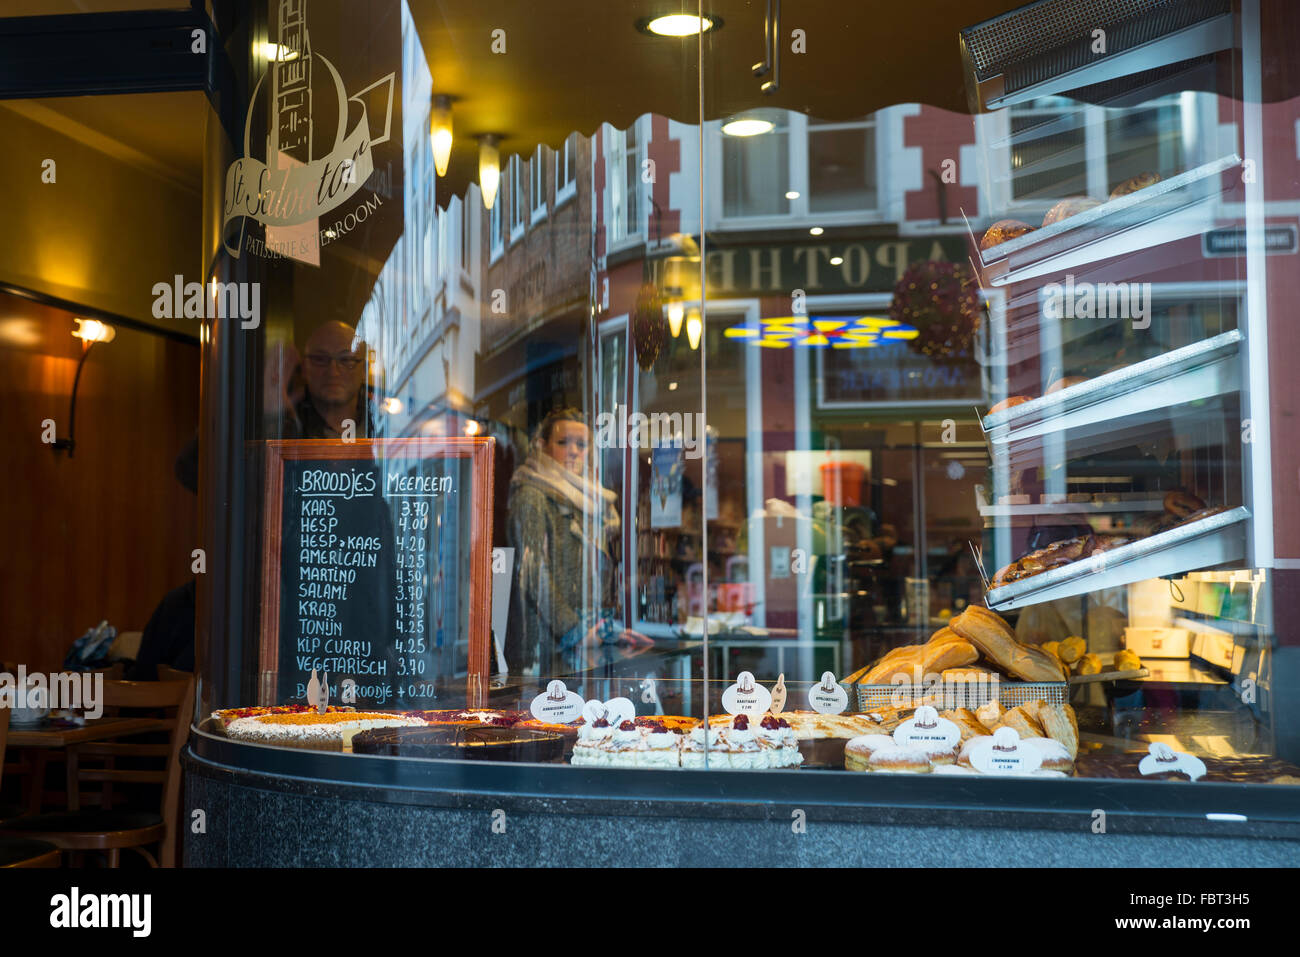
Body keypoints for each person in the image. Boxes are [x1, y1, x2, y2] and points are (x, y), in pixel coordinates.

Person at [504, 407, 649, 676]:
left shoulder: (587, 500)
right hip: (546, 649)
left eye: (581, 445)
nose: (573, 452)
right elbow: (534, 573)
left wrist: (608, 632)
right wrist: (575, 632)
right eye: (563, 443)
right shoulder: (531, 496)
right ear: (542, 446)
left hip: (578, 650)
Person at [293, 320, 375, 439]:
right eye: (320, 359)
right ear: (304, 368)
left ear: (364, 370)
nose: (333, 372)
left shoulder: (386, 424)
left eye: (346, 359)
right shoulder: (288, 427)